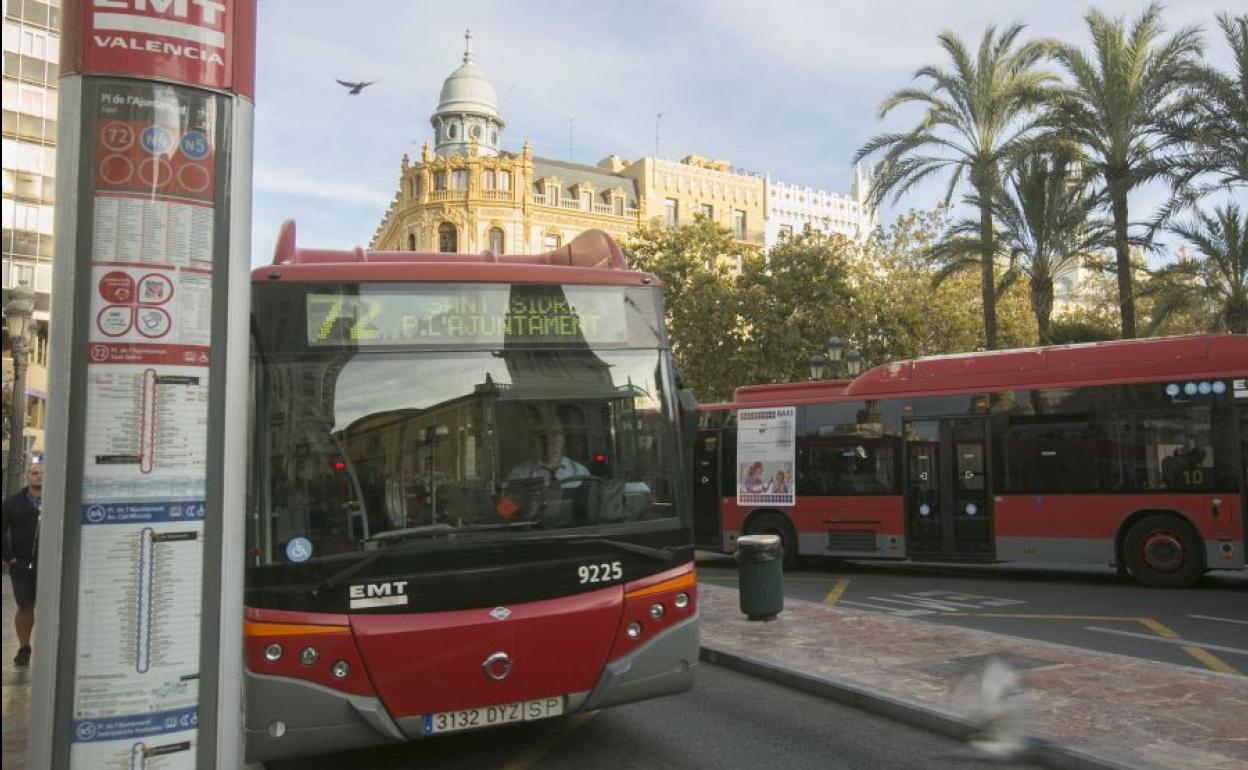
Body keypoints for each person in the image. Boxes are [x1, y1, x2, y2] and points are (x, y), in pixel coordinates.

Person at [3, 459, 42, 667]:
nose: (39, 476)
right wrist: (9, 557)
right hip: (22, 563)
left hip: (52, 562)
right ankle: (24, 646)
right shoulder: (12, 503)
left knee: (53, 607)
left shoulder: (58, 500)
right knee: (25, 606)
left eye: (42, 473)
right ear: (27, 476)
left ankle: (51, 648)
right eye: (35, 473)